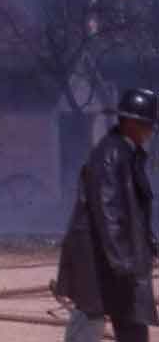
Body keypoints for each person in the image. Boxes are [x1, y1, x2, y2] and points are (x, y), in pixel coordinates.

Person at [56, 87, 158, 342]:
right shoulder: (110, 155)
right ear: (131, 123)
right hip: (98, 262)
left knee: (134, 327)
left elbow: (134, 213)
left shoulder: (128, 155)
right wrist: (124, 262)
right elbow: (108, 214)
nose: (150, 131)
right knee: (89, 322)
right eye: (147, 124)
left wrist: (150, 245)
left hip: (117, 261)